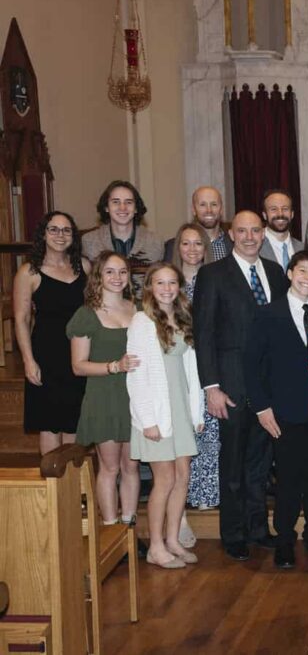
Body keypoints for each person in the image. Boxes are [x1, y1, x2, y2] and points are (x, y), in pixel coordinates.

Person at [192, 211, 288, 561]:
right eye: (242, 230)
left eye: (255, 230)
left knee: (260, 463)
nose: (249, 236)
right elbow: (202, 334)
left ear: (263, 234)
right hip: (229, 385)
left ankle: (258, 528)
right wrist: (211, 387)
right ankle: (233, 532)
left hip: (268, 386)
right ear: (231, 234)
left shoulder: (275, 273)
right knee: (232, 463)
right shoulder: (212, 274)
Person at [244, 250, 308, 569]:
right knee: (288, 479)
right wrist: (261, 408)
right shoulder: (269, 314)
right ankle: (284, 538)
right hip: (283, 411)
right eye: (302, 270)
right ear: (290, 272)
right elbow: (252, 366)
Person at [126, 263, 204, 569]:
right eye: (160, 283)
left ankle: (173, 539)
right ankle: (156, 545)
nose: (167, 288)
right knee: (165, 479)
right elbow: (135, 375)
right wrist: (147, 420)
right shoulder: (142, 321)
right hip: (157, 411)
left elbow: (191, 369)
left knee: (182, 478)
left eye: (172, 282)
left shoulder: (184, 317)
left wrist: (195, 410)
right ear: (149, 286)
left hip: (181, 409)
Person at [67, 251, 142, 526]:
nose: (117, 277)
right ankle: (111, 531)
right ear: (98, 276)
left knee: (131, 466)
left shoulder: (139, 310)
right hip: (104, 397)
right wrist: (114, 366)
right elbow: (78, 365)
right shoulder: (86, 314)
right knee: (110, 467)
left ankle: (129, 529)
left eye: (122, 271)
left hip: (135, 398)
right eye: (110, 271)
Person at [14, 211, 89, 454]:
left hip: (79, 353)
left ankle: (74, 490)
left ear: (73, 236)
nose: (60, 235)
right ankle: (54, 489)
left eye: (66, 230)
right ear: (43, 235)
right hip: (46, 354)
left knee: (75, 420)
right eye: (53, 229)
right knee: (49, 424)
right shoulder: (29, 272)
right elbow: (22, 319)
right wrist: (28, 360)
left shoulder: (84, 266)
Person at [171, 224, 220, 520]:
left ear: (206, 248)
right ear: (178, 247)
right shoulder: (168, 282)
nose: (192, 250)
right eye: (186, 244)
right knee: (182, 430)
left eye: (197, 244)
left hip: (205, 362)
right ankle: (182, 492)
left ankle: (206, 494)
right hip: (176, 362)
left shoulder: (213, 279)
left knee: (208, 430)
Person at [82, 180, 163, 293]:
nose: (123, 207)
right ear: (106, 207)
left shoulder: (155, 242)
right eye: (116, 202)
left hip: (145, 308)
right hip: (103, 308)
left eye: (128, 202)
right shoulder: (89, 242)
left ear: (135, 208)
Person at [162, 186, 232, 263]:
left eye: (214, 204)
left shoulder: (234, 243)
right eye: (202, 205)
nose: (209, 210)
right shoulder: (174, 246)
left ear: (221, 209)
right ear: (194, 210)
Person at [259, 189, 303, 271]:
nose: (280, 214)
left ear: (292, 214)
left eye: (285, 209)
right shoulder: (255, 247)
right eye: (273, 209)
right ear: (264, 215)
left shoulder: (303, 248)